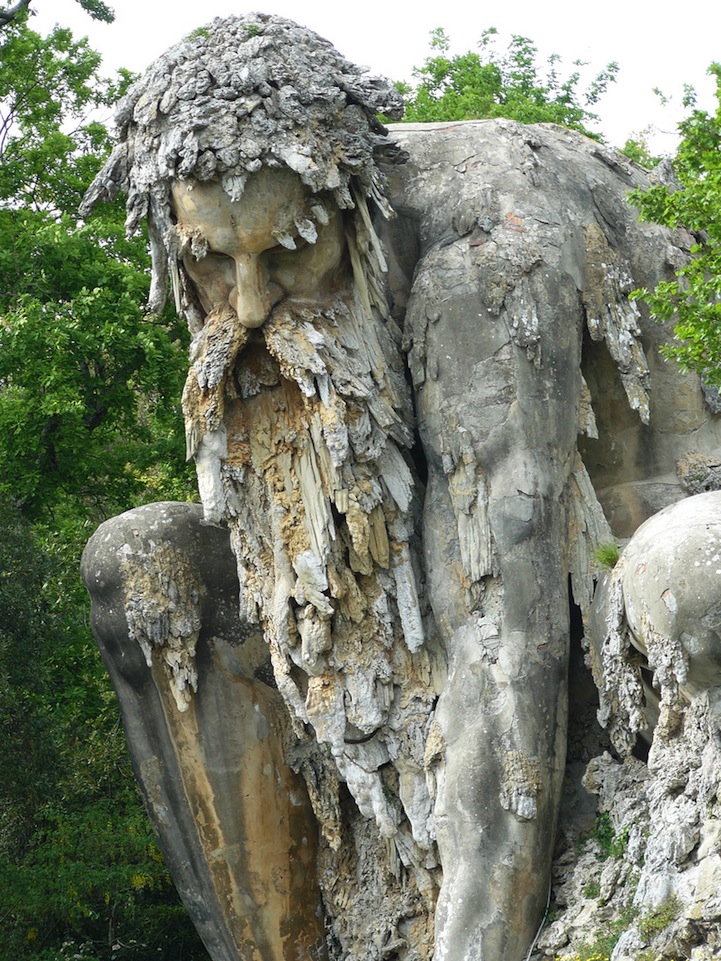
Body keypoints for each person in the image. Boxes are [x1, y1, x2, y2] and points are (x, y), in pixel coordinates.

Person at [82, 12, 675, 961]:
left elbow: (501, 630)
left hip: (624, 596)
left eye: (287, 258)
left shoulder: (480, 255)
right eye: (209, 263)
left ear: (351, 212)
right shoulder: (244, 305)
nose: (246, 307)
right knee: (141, 560)